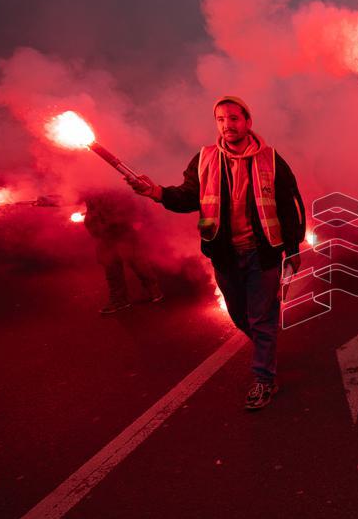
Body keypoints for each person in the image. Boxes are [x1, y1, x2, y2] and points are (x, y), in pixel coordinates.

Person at [126, 96, 306, 410]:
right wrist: (156, 192)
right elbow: (186, 197)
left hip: (261, 254)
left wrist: (292, 250)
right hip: (224, 254)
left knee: (261, 318)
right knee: (239, 316)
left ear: (248, 122)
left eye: (234, 118)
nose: (227, 125)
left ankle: (264, 379)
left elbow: (289, 210)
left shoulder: (272, 159)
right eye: (221, 119)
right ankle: (267, 350)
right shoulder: (205, 158)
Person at [81, 188, 162, 314]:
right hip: (105, 228)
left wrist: (137, 220)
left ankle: (145, 292)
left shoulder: (105, 180)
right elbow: (75, 196)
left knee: (130, 260)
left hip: (116, 225)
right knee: (116, 262)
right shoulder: (91, 180)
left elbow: (130, 198)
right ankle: (143, 293)